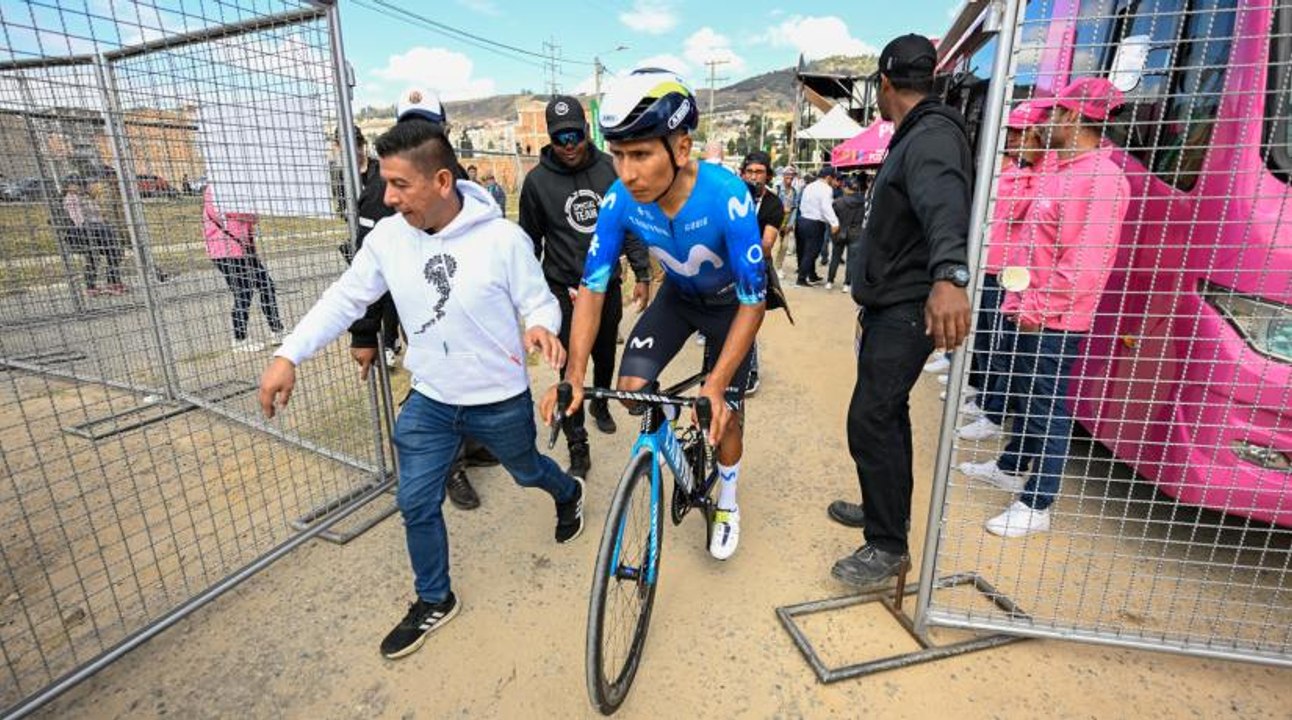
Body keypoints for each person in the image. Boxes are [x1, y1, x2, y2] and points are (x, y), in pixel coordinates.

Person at [258, 115, 584, 660]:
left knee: (527, 471)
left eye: (399, 184)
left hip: (497, 399)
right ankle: (434, 597)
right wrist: (288, 353)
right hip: (431, 401)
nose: (388, 198)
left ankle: (567, 493)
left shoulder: (503, 239)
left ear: (440, 181)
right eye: (385, 182)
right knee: (415, 500)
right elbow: (345, 299)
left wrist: (541, 325)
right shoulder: (388, 239)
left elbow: (538, 299)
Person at [541, 69, 766, 561]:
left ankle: (727, 498)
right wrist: (574, 373)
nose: (626, 172)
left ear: (681, 148)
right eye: (618, 155)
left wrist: (716, 382)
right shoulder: (619, 200)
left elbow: (755, 301)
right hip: (679, 300)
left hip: (732, 308)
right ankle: (668, 426)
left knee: (720, 417)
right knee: (630, 392)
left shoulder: (727, 197)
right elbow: (593, 289)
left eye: (640, 154)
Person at [827, 34, 972, 588]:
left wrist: (948, 276)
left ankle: (888, 545)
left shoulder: (930, 136)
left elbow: (944, 206)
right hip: (893, 301)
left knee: (870, 415)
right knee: (889, 414)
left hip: (910, 305)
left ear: (884, 85)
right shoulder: (918, 134)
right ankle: (884, 506)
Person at [958, 77, 1131, 537]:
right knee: (1026, 392)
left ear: (1073, 116)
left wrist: (1035, 306)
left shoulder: (1101, 179)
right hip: (1029, 306)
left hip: (1052, 318)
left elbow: (1083, 265)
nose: (1044, 123)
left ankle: (1038, 503)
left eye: (1052, 113)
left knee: (1047, 407)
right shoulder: (1065, 172)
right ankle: (1013, 463)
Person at [351, 87, 491, 511]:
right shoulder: (383, 189)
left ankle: (473, 442)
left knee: (469, 375)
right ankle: (451, 465)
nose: (418, 135)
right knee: (435, 383)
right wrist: (363, 332)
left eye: (427, 127)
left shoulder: (461, 183)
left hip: (465, 308)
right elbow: (366, 267)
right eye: (409, 125)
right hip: (416, 310)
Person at [519, 95, 652, 477]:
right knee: (569, 366)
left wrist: (642, 272)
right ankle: (577, 442)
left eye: (575, 135)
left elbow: (631, 226)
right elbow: (529, 243)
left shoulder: (612, 170)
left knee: (606, 354)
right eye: (560, 138)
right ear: (550, 138)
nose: (569, 145)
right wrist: (535, 299)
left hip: (606, 283)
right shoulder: (536, 183)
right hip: (562, 287)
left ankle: (600, 402)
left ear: (587, 131)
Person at [956, 100, 1050, 438]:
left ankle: (994, 412)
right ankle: (986, 399)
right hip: (994, 265)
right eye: (1010, 132)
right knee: (987, 339)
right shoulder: (1020, 172)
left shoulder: (1037, 175)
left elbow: (1009, 212)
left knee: (1003, 347)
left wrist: (1021, 174)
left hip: (1013, 273)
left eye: (1018, 133)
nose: (1011, 140)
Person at [344, 125, 403, 370]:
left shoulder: (379, 171)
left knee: (391, 298)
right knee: (373, 287)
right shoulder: (343, 176)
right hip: (366, 239)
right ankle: (387, 343)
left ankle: (390, 343)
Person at [204, 184, 285, 352]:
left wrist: (248, 213)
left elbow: (251, 216)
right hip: (225, 250)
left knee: (266, 286)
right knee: (243, 292)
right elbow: (225, 213)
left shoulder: (235, 186)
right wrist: (247, 212)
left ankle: (277, 330)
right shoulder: (214, 188)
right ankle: (239, 339)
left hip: (244, 248)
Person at [735, 149, 786, 395]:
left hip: (753, 270)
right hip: (727, 269)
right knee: (724, 318)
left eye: (760, 172)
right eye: (750, 171)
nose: (754, 176)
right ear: (742, 173)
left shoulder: (774, 204)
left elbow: (766, 246)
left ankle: (750, 371)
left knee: (747, 320)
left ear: (768, 175)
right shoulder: (733, 195)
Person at [62, 175, 125, 296]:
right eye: (74, 184)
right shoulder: (72, 199)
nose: (78, 186)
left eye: (79, 183)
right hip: (85, 232)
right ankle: (106, 284)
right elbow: (78, 220)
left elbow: (99, 215)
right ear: (68, 186)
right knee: (102, 255)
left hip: (97, 230)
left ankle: (108, 283)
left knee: (108, 254)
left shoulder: (85, 197)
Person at [795, 166, 839, 287]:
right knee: (813, 251)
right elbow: (826, 207)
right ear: (828, 177)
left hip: (802, 220)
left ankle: (811, 274)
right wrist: (834, 222)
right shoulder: (826, 189)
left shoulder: (810, 186)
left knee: (804, 249)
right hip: (815, 222)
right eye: (834, 178)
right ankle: (802, 278)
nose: (834, 181)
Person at [827, 174, 867, 292]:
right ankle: (847, 284)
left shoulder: (838, 202)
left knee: (835, 257)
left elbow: (831, 217)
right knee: (852, 260)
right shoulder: (864, 202)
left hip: (840, 231)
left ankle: (830, 281)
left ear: (846, 187)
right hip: (856, 232)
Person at [774, 165, 800, 279]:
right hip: (776, 221)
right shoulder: (777, 188)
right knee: (775, 247)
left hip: (787, 222)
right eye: (787, 176)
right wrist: (782, 209)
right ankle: (773, 268)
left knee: (784, 247)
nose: (789, 178)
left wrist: (790, 224)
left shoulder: (794, 191)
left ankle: (779, 266)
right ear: (783, 176)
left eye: (791, 176)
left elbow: (795, 207)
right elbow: (772, 206)